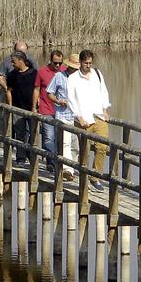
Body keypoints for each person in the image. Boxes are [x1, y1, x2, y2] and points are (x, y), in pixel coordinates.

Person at [65, 50, 111, 188]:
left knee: (102, 146)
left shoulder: (97, 74)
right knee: (85, 149)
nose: (88, 65)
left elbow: (104, 91)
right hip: (83, 118)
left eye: (90, 63)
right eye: (86, 63)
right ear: (80, 62)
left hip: (99, 116)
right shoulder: (73, 78)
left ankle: (95, 176)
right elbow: (71, 99)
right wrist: (79, 116)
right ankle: (84, 176)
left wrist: (105, 109)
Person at [45, 54, 79, 181]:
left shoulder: (82, 79)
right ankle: (67, 170)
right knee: (65, 142)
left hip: (76, 117)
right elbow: (49, 93)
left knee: (75, 145)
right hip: (63, 115)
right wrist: (58, 101)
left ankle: (73, 169)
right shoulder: (59, 76)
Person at [4, 51, 39, 165]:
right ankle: (20, 157)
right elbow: (9, 91)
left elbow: (38, 90)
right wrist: (10, 107)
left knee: (34, 133)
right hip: (18, 108)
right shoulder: (12, 75)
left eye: (14, 62)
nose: (12, 64)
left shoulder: (34, 73)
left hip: (31, 108)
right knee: (20, 133)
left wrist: (37, 106)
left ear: (21, 61)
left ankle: (31, 153)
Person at [35, 49, 65, 174]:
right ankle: (51, 163)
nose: (57, 65)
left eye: (60, 63)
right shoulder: (42, 72)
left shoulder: (65, 72)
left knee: (61, 139)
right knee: (48, 138)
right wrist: (34, 107)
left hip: (62, 112)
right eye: (55, 63)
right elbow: (36, 89)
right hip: (46, 109)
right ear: (50, 60)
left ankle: (61, 163)